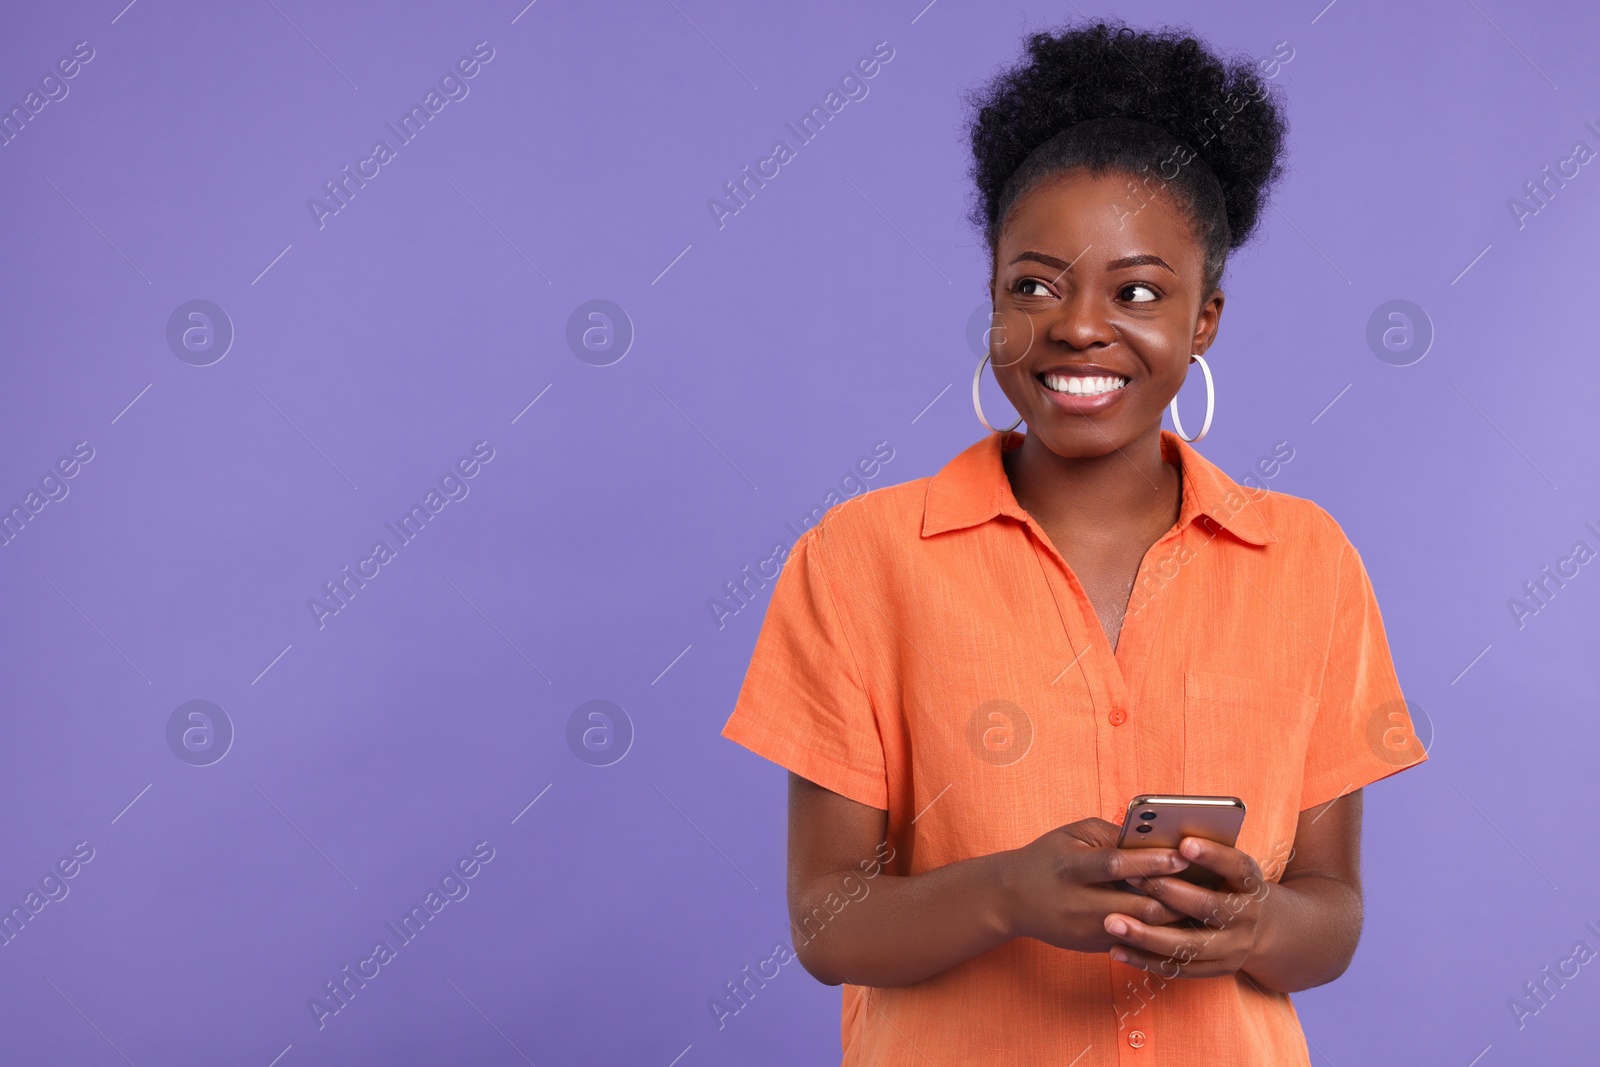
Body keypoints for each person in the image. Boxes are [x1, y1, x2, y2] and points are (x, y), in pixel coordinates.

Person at [721, 19, 1428, 1066]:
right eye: (1034, 285)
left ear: (1204, 322)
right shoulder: (860, 557)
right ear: (993, 299)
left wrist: (1255, 925)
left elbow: (1332, 915)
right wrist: (1006, 891)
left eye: (1137, 292)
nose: (1078, 326)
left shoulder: (1308, 562)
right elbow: (826, 922)